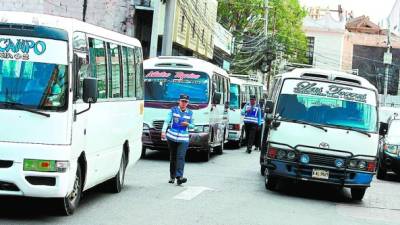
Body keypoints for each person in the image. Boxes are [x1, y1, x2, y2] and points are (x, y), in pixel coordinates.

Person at [161, 94, 194, 185]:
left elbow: (193, 126)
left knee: (181, 157)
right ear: (179, 101)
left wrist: (187, 124)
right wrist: (163, 132)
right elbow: (167, 121)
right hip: (172, 137)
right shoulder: (173, 110)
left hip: (183, 139)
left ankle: (179, 177)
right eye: (182, 101)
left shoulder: (190, 113)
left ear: (187, 103)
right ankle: (172, 176)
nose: (183, 103)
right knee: (173, 157)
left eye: (185, 102)